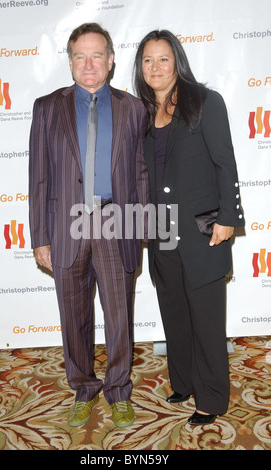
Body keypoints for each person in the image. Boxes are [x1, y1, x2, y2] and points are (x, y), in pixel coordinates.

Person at [29, 23, 149, 428]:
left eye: (97, 55)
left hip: (118, 221)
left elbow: (141, 172)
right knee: (73, 316)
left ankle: (119, 390)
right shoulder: (47, 107)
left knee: (119, 316)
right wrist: (40, 237)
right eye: (80, 56)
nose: (89, 64)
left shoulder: (133, 108)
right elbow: (39, 177)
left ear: (111, 60)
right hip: (66, 227)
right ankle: (83, 386)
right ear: (70, 62)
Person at [134, 30, 245, 426]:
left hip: (202, 230)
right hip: (161, 231)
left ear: (177, 61)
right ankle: (182, 382)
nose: (156, 67)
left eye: (163, 59)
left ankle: (212, 398)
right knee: (175, 312)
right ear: (140, 67)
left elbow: (225, 163)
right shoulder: (142, 113)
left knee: (206, 318)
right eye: (148, 60)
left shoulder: (205, 101)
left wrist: (229, 219)